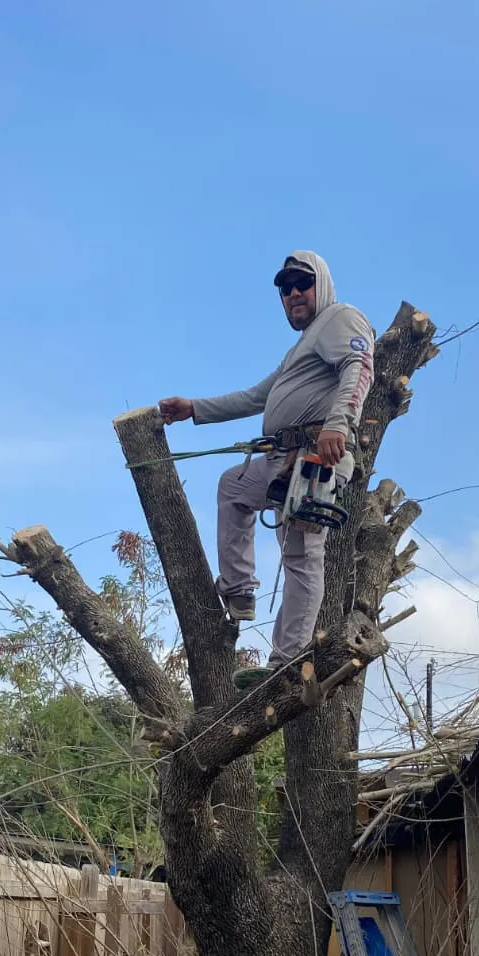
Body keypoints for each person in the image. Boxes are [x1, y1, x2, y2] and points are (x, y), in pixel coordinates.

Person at [159, 251, 375, 689]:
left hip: (315, 458)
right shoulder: (303, 346)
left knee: (302, 555)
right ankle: (239, 591)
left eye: (302, 283)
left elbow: (360, 366)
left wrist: (339, 424)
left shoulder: (340, 319)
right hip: (283, 460)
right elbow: (256, 396)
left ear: (322, 284)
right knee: (233, 487)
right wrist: (195, 409)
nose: (293, 293)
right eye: (285, 287)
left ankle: (289, 661)